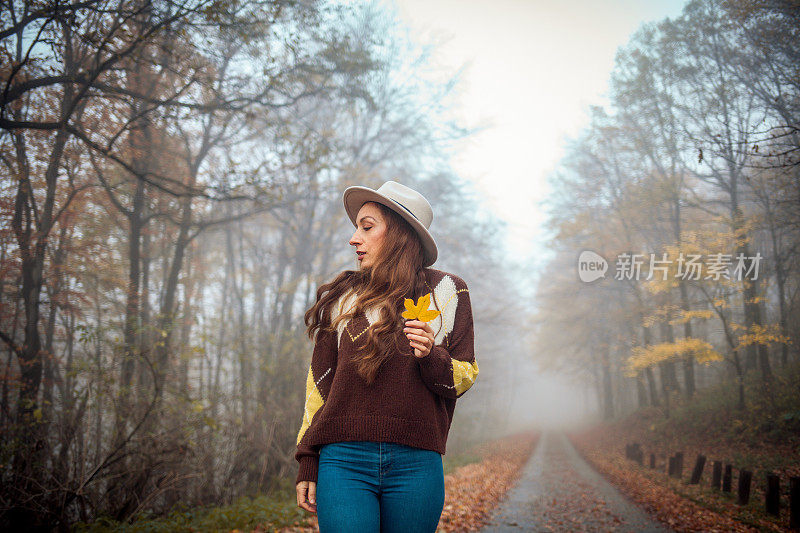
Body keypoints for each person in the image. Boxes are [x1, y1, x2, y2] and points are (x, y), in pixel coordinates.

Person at [294, 180, 479, 532]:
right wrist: (307, 458)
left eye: (366, 227)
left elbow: (464, 377)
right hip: (342, 462)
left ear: (399, 233)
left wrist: (431, 355)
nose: (353, 238)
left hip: (417, 463)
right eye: (356, 228)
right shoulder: (341, 299)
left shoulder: (448, 291)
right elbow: (318, 387)